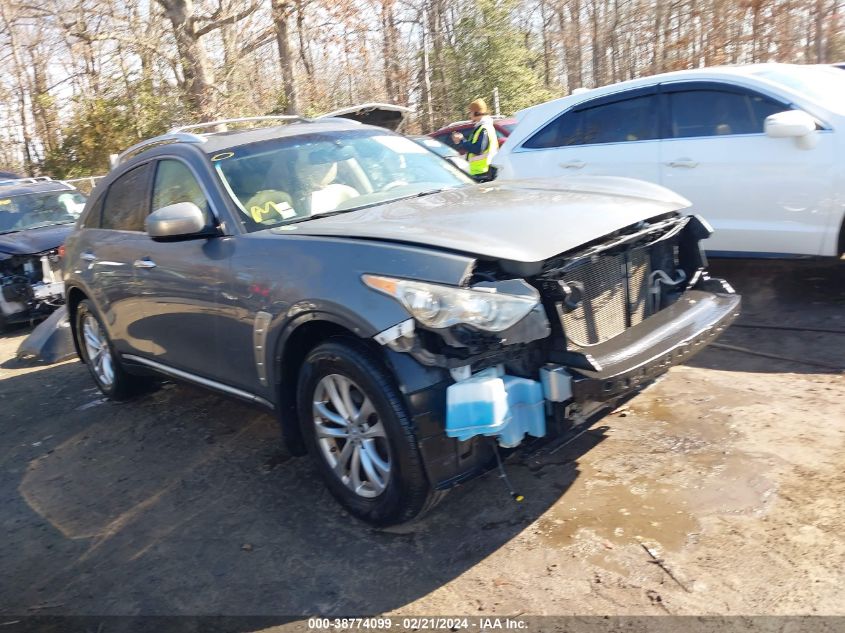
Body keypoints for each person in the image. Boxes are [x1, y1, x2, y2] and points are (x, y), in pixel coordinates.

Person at [451, 98, 499, 181]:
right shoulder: (482, 127)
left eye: (470, 112)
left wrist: (462, 140)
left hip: (483, 173)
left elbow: (478, 149)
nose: (469, 114)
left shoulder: (484, 128)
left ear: (476, 112)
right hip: (482, 172)